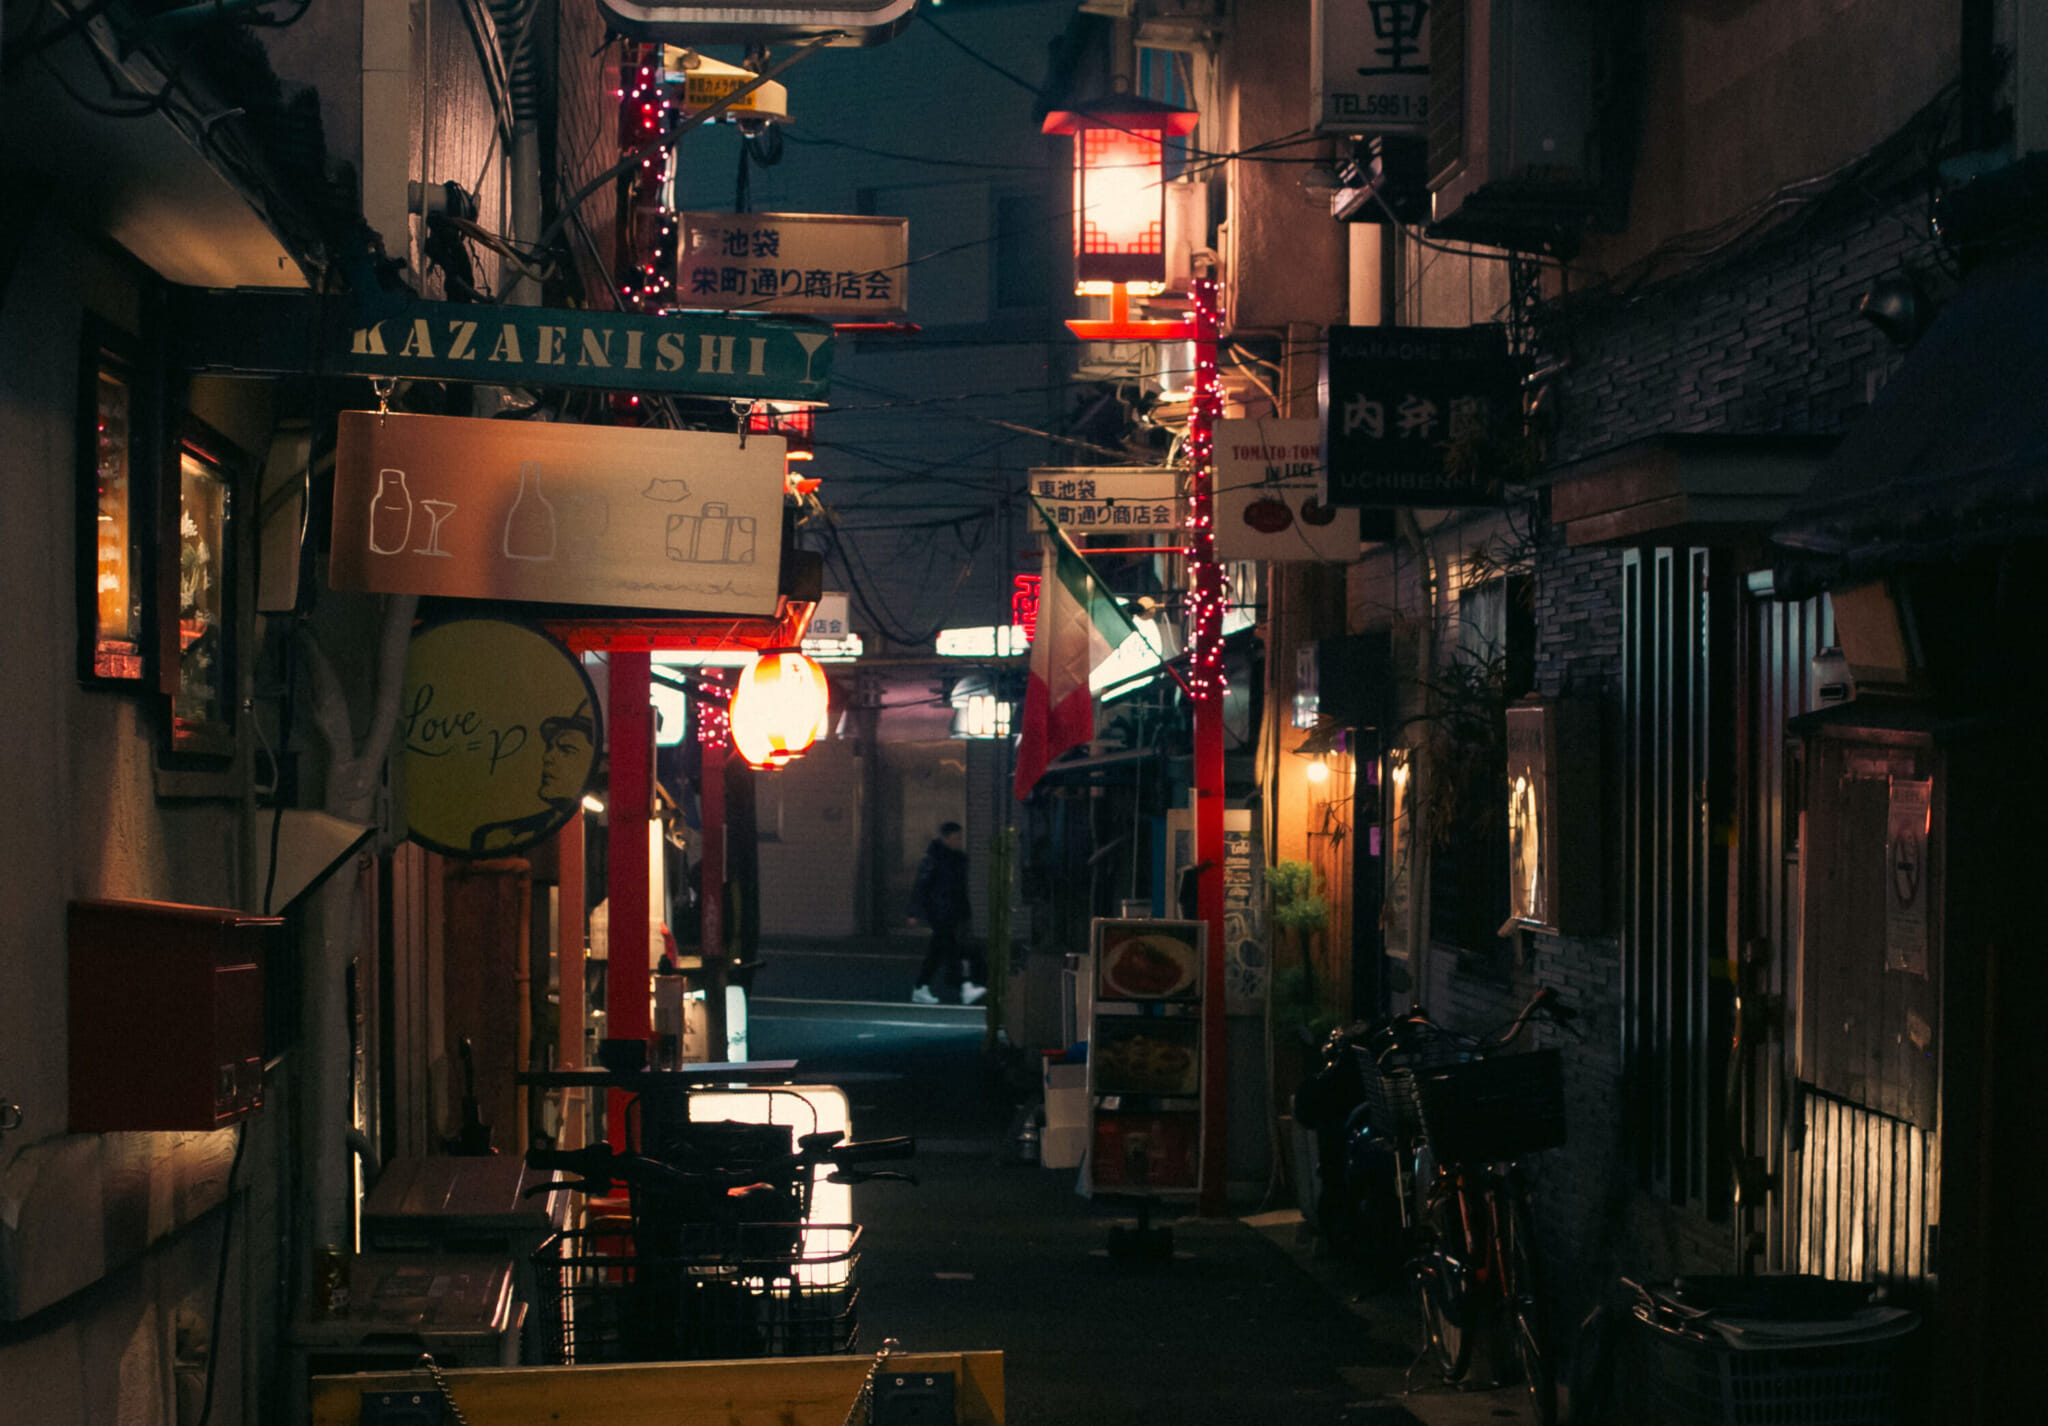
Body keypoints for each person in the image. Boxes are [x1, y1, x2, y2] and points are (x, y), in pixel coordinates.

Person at [909, 821, 983, 1005]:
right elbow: (921, 886)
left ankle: (922, 986)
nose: (959, 841)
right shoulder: (934, 859)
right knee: (953, 948)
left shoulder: (955, 859)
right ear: (945, 838)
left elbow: (958, 888)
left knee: (940, 950)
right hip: (940, 911)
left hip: (951, 910)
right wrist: (914, 911)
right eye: (956, 838)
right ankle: (963, 987)